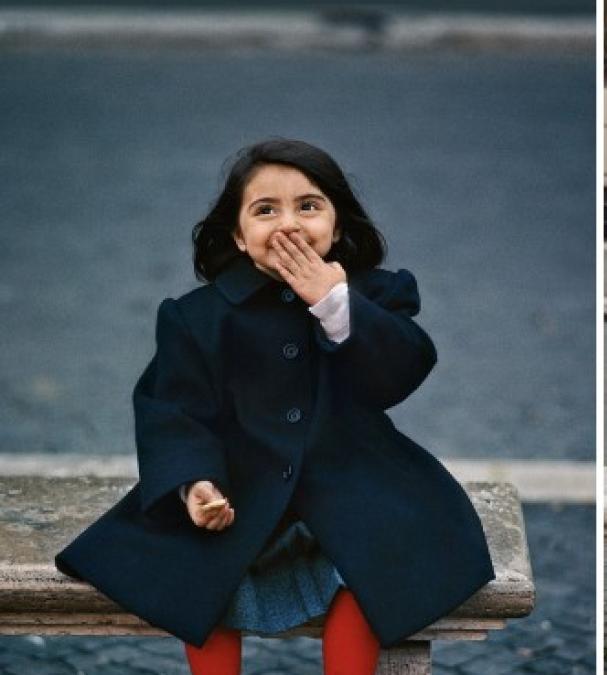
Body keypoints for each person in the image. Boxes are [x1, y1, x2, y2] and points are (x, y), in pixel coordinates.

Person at [55, 139, 495, 675]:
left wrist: (336, 305)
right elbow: (173, 409)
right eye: (266, 210)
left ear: (338, 223)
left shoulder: (378, 294)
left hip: (356, 480)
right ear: (239, 237)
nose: (289, 224)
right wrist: (195, 482)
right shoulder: (195, 316)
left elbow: (401, 372)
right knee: (198, 576)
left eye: (308, 206)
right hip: (241, 485)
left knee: (371, 571)